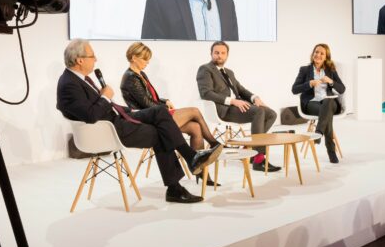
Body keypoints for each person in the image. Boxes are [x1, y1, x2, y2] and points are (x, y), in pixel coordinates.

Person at [57, 39, 221, 204]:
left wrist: (128, 110)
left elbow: (100, 107)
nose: (96, 60)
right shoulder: (69, 84)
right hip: (111, 130)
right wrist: (105, 96)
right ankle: (178, 181)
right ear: (80, 60)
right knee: (161, 132)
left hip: (118, 118)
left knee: (160, 112)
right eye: (92, 56)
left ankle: (190, 160)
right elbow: (91, 115)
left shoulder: (79, 79)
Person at [119, 42, 224, 186]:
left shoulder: (140, 74)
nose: (147, 62)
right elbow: (147, 105)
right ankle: (214, 143)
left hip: (157, 113)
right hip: (149, 119)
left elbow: (150, 98)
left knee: (196, 128)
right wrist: (164, 107)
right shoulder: (130, 78)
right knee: (194, 111)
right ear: (133, 57)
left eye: (148, 59)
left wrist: (164, 100)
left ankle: (202, 173)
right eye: (144, 59)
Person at [197, 41, 280, 172]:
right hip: (223, 110)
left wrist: (254, 97)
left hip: (237, 106)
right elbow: (206, 93)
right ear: (211, 54)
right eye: (216, 53)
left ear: (227, 55)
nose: (219, 56)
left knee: (271, 114)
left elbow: (240, 90)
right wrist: (232, 101)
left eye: (223, 53)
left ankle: (251, 149)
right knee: (258, 112)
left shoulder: (229, 72)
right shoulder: (205, 69)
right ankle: (259, 158)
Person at [291, 43, 346, 163]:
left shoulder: (330, 70)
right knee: (326, 115)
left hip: (330, 103)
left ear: (326, 57)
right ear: (313, 54)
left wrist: (331, 81)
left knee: (328, 102)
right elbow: (294, 89)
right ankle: (331, 151)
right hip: (312, 103)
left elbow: (342, 89)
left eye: (322, 53)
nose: (318, 55)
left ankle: (319, 132)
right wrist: (309, 84)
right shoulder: (304, 70)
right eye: (316, 52)